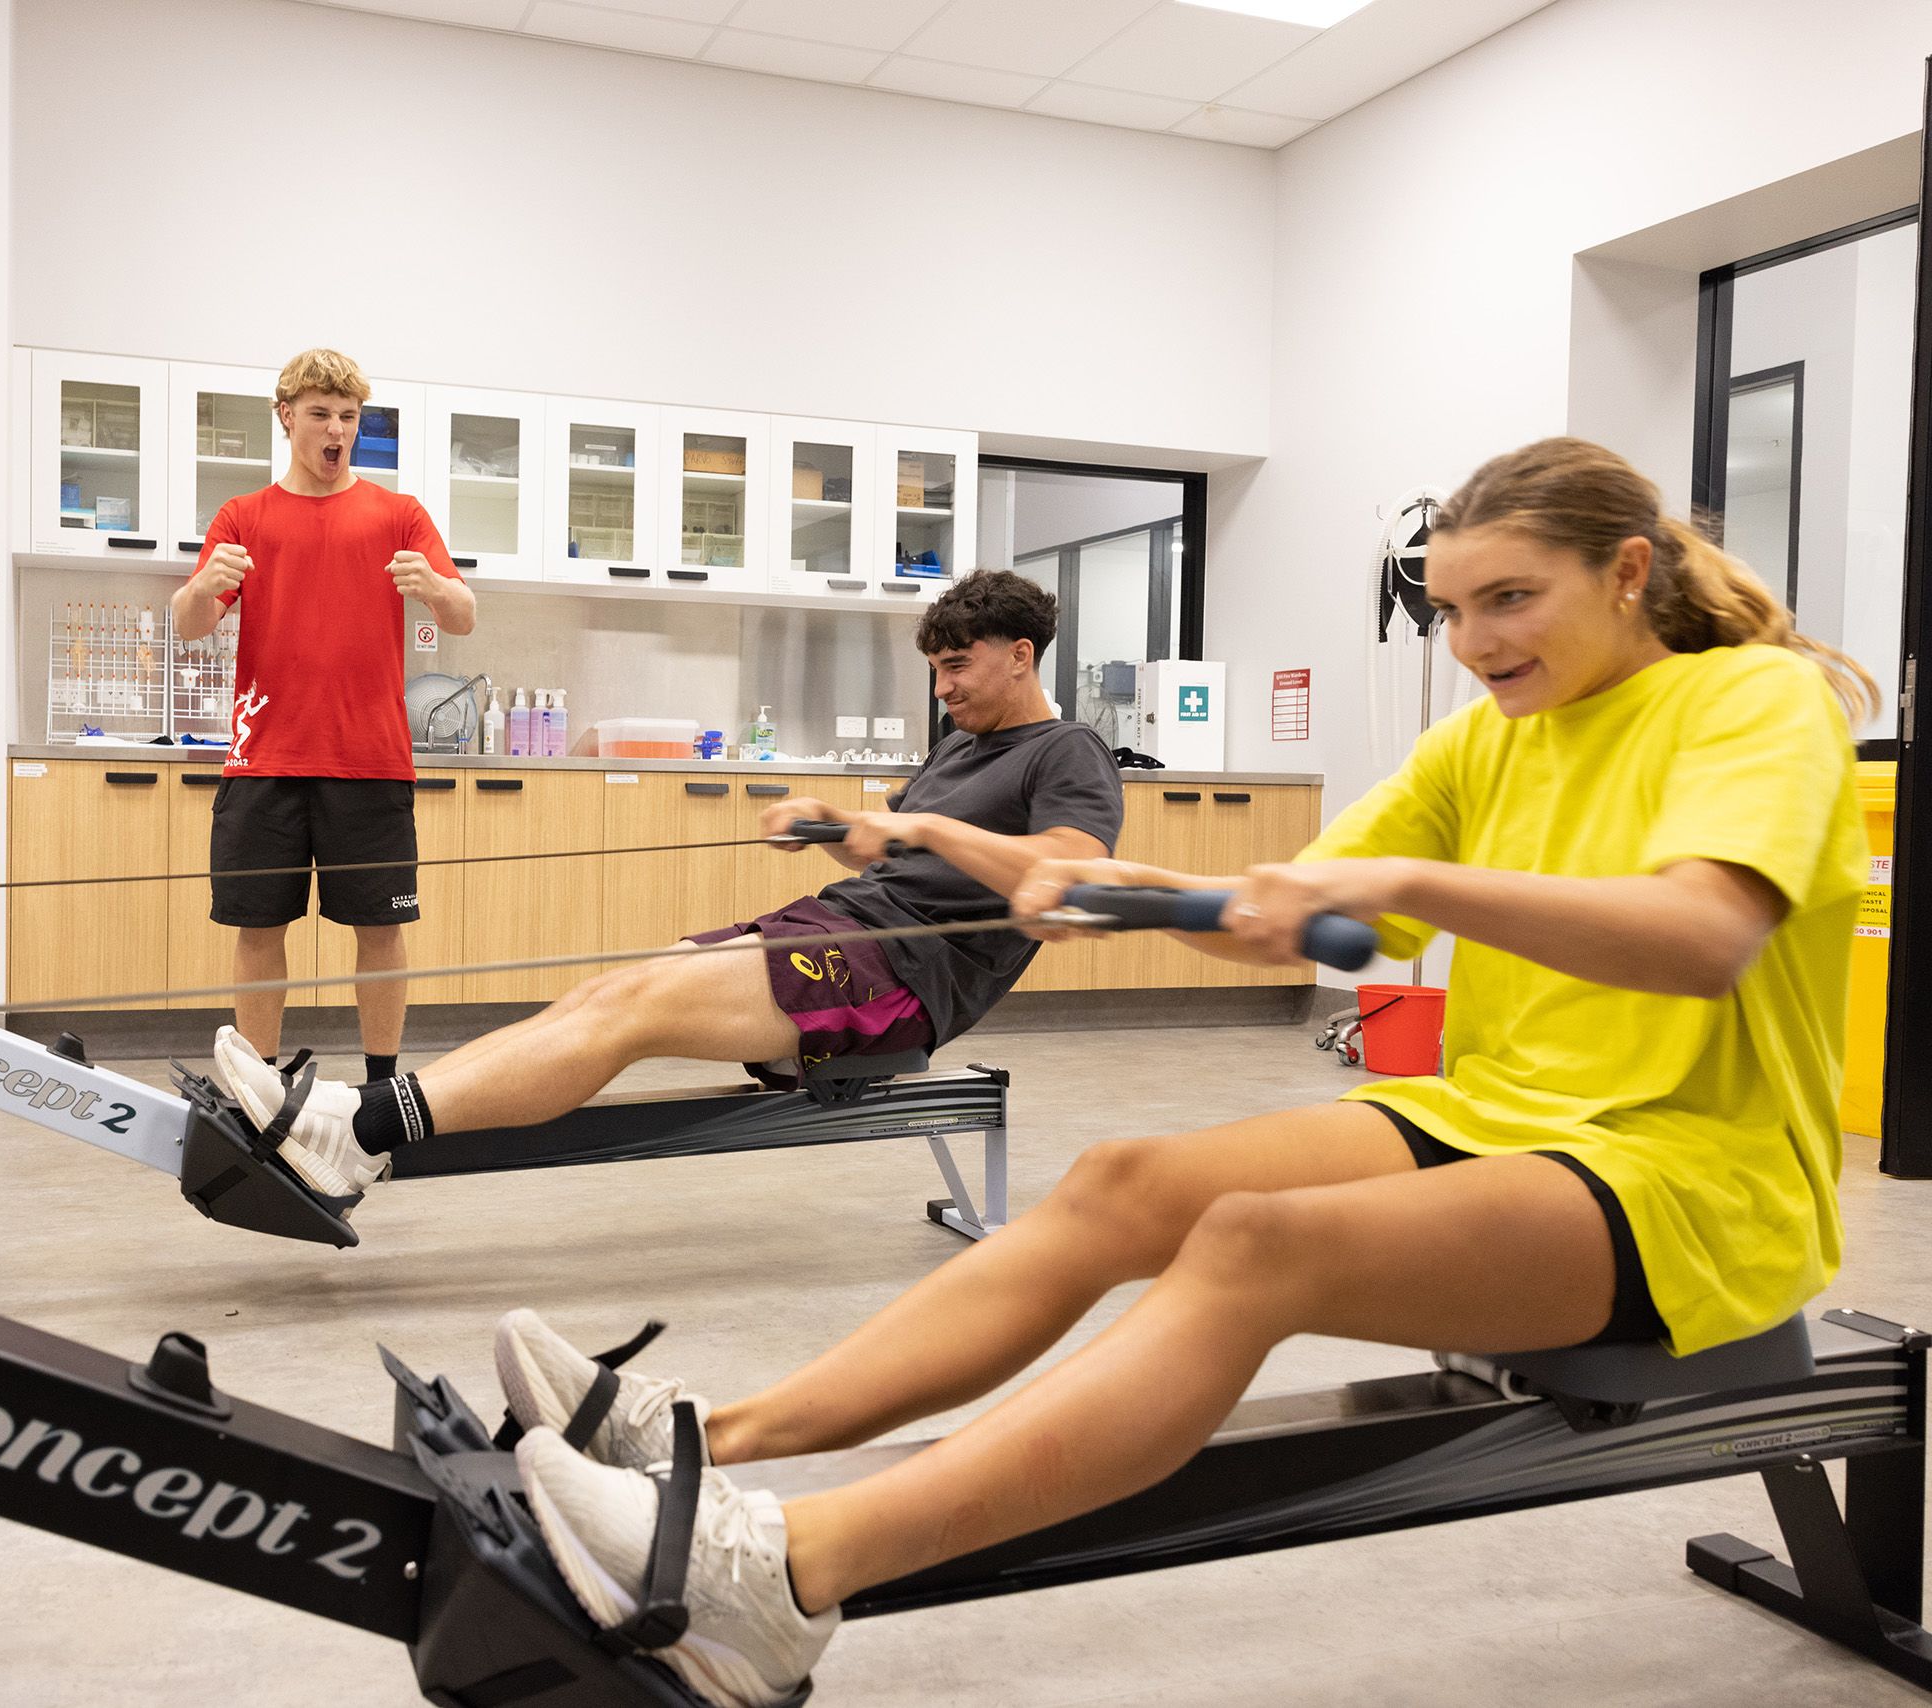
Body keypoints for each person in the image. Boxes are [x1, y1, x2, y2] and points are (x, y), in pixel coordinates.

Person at [476, 437, 1876, 1708]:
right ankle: (703, 1439)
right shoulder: (1484, 738)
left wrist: (1410, 881)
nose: (1471, 643)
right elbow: (1296, 906)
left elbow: (1701, 938)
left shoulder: (1752, 702)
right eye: (1451, 609)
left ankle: (782, 1580)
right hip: (1489, 1119)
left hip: (1695, 1170)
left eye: (1509, 600)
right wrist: (1095, 890)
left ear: (1629, 573)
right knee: (1122, 1180)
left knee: (1258, 1246)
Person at [210, 568, 1125, 1199]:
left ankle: (358, 1132)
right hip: (845, 929)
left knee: (632, 1009)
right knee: (613, 988)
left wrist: (919, 823)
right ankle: (356, 1126)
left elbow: (1075, 878)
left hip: (905, 981)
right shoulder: (962, 747)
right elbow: (895, 858)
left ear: (1021, 653)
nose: (943, 689)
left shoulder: (1068, 750)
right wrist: (841, 831)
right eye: (934, 670)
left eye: (957, 668)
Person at [171, 349, 475, 1090]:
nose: (336, 430)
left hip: (369, 761)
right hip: (265, 761)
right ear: (287, 418)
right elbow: (188, 621)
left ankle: (381, 1090)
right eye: (320, 415)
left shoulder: (397, 513)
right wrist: (204, 584)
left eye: (347, 417)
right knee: (258, 928)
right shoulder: (243, 516)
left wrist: (434, 584)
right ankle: (260, 1091)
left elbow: (462, 616)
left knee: (381, 931)